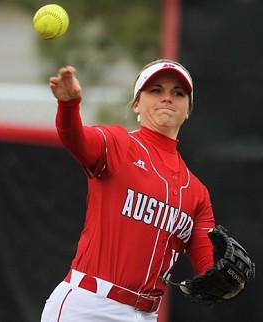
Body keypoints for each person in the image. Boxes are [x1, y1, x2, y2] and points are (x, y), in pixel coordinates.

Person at [41, 59, 231, 322]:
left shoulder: (196, 192)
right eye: (155, 90)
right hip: (88, 306)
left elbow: (207, 266)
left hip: (145, 315)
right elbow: (75, 139)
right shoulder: (120, 145)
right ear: (136, 105)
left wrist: (224, 278)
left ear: (188, 109)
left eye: (178, 93)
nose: (167, 98)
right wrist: (69, 105)